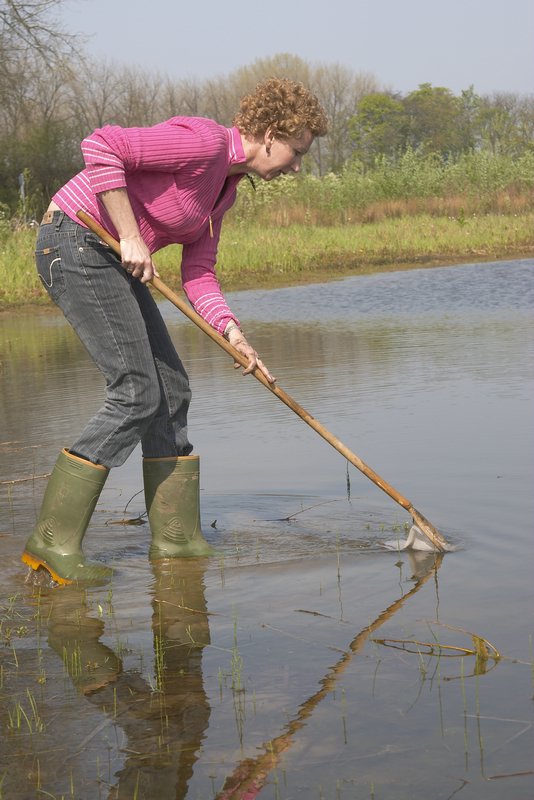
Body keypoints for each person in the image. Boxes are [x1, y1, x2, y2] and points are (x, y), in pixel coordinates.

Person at [21, 77, 328, 585]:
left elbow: (199, 274)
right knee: (136, 392)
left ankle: (177, 541)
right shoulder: (203, 142)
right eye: (296, 152)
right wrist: (129, 233)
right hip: (74, 240)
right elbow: (102, 145)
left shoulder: (224, 191)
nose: (297, 166)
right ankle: (51, 544)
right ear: (271, 134)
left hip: (113, 256)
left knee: (171, 390)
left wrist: (233, 334)